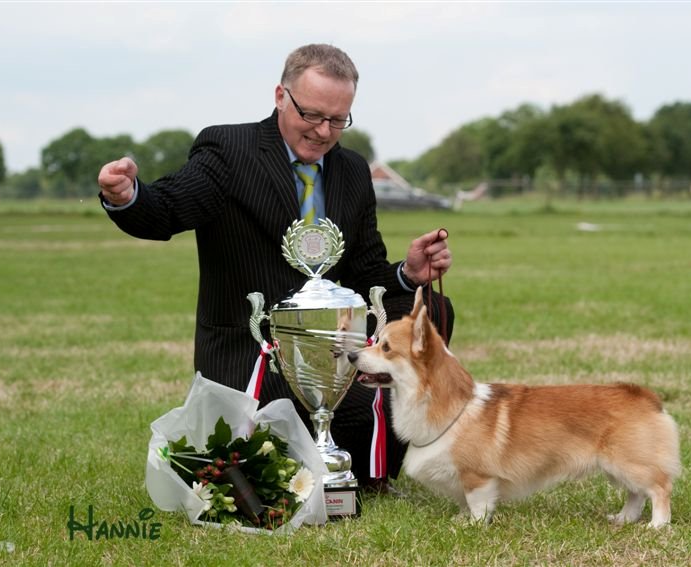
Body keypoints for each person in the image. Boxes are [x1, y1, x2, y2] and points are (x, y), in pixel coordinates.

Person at [97, 43, 454, 492]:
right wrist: (126, 196)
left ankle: (371, 470)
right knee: (267, 474)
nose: (324, 131)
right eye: (312, 115)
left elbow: (366, 274)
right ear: (280, 96)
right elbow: (168, 209)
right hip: (256, 350)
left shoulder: (352, 170)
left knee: (431, 312)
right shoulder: (228, 149)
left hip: (335, 352)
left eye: (338, 120)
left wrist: (409, 274)